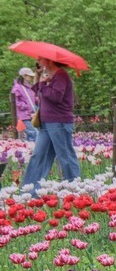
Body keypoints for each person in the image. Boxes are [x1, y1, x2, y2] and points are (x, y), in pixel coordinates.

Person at [22, 58, 80, 190]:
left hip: (59, 122)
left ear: (49, 61)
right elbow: (38, 91)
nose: (38, 61)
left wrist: (43, 84)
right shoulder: (52, 77)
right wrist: (37, 76)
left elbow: (55, 97)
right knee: (38, 156)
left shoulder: (61, 75)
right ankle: (30, 191)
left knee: (65, 157)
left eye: (40, 59)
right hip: (46, 123)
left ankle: (76, 189)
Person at [12, 67, 38, 141]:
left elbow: (33, 100)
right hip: (24, 115)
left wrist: (38, 100)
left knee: (31, 134)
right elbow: (15, 101)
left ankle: (29, 149)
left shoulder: (29, 88)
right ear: (24, 76)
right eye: (29, 76)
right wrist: (26, 106)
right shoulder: (17, 88)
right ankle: (32, 150)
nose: (31, 77)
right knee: (34, 132)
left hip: (32, 114)